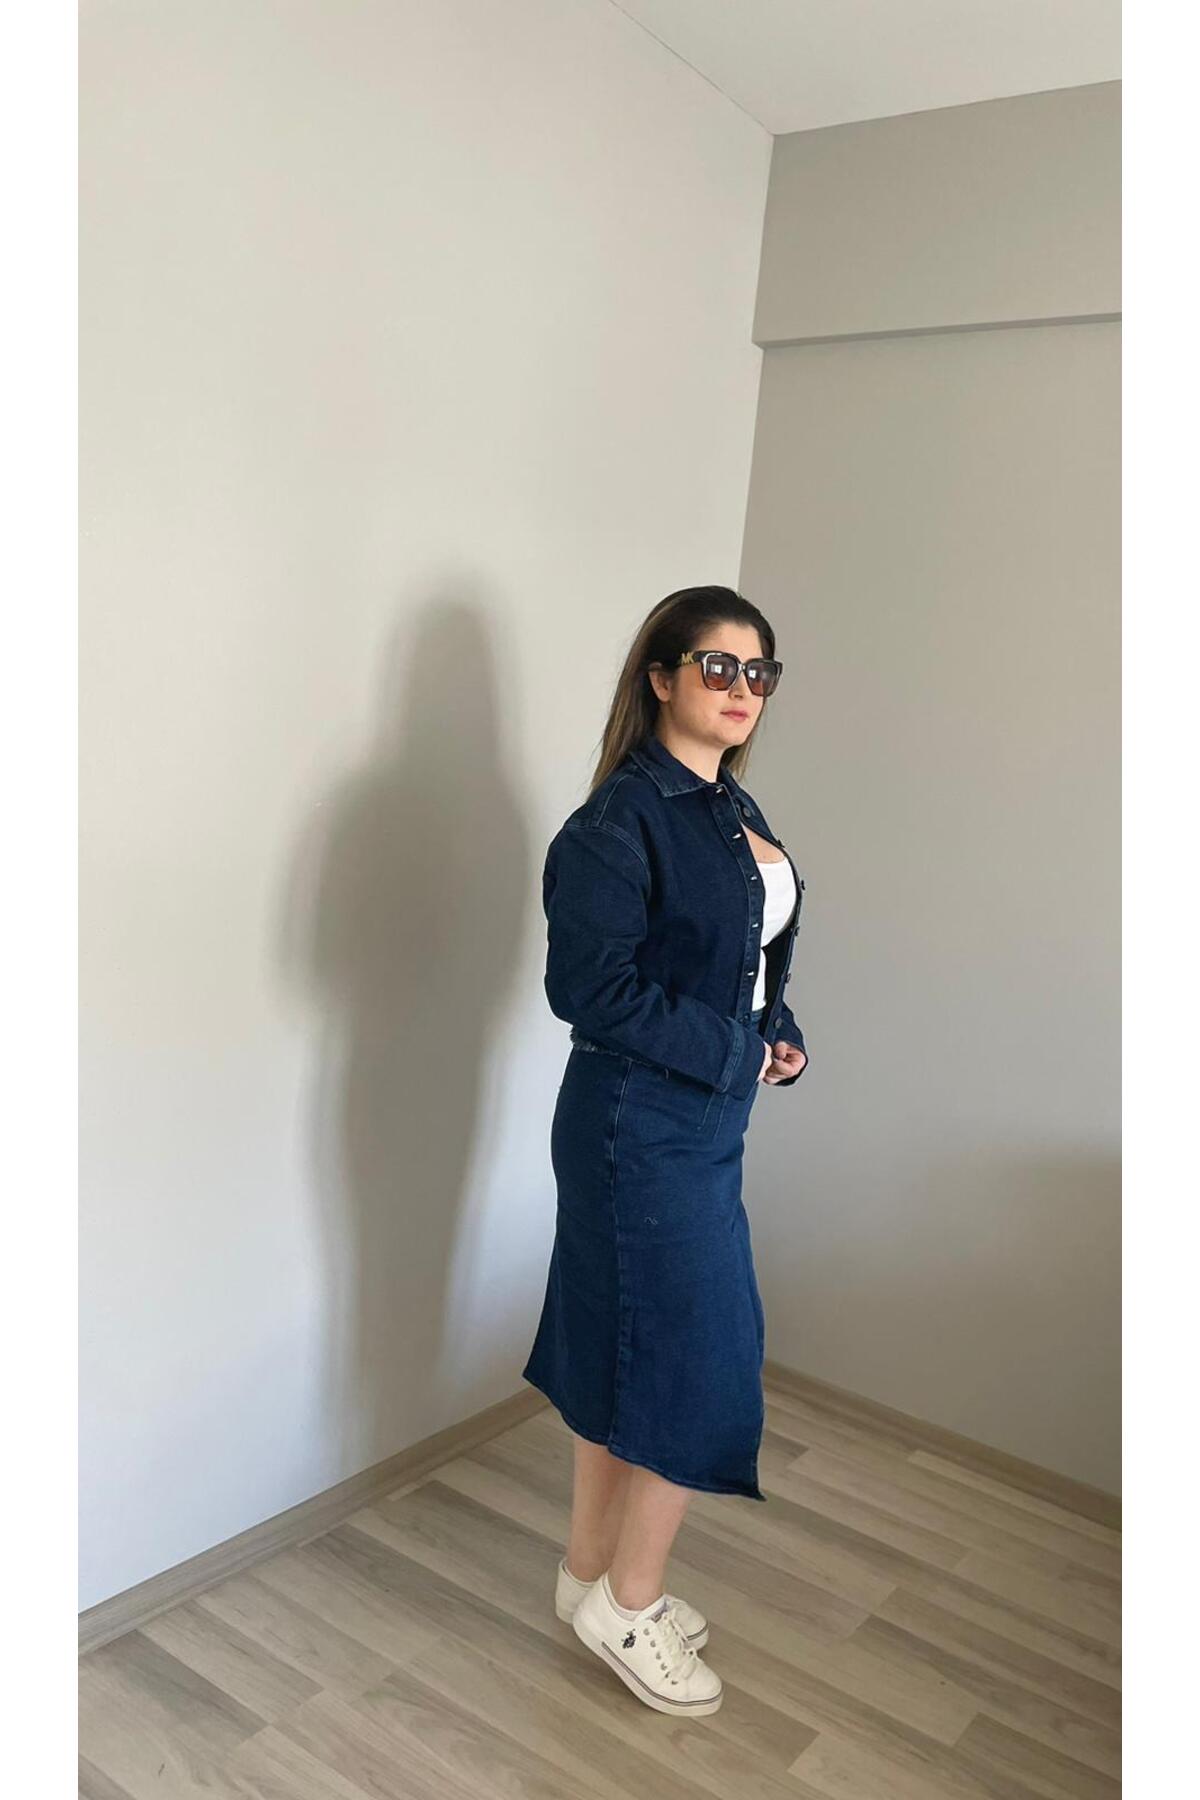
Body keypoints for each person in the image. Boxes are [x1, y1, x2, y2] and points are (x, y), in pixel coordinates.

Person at [521, 584, 809, 1716]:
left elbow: (742, 960)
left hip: (701, 1122)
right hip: (633, 1126)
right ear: (660, 678)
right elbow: (589, 989)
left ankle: (586, 1576)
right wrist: (736, 1050)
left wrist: (776, 1031)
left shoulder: (729, 808)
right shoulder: (618, 823)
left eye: (759, 671)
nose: (741, 689)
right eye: (717, 666)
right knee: (697, 1364)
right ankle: (628, 1607)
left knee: (622, 1349)